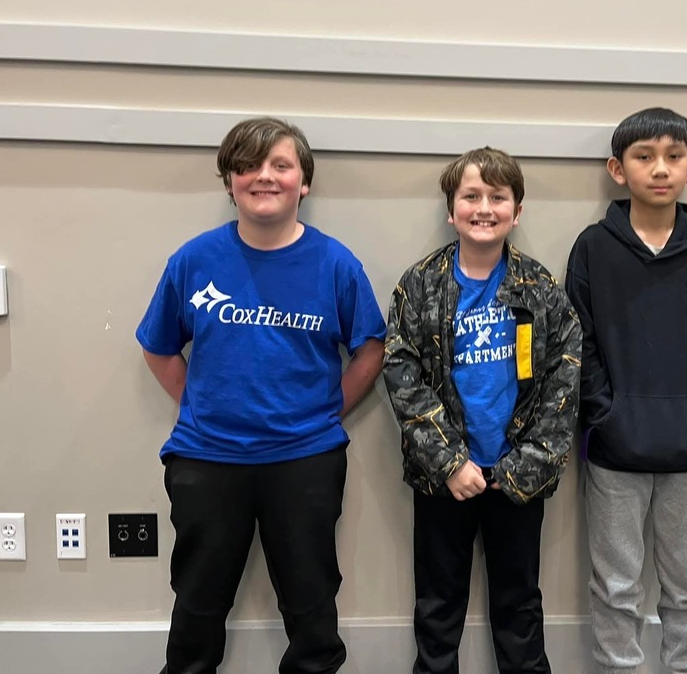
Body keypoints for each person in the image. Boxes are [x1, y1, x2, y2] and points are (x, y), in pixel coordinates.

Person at [136, 117, 386, 674]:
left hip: (305, 460)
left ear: (305, 182)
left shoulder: (336, 263)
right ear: (230, 182)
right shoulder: (194, 260)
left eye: (280, 165)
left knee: (312, 609)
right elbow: (157, 347)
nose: (264, 177)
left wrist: (324, 412)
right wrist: (201, 404)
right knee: (197, 609)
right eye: (248, 165)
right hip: (207, 459)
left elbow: (370, 349)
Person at [383, 147, 581, 674]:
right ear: (451, 210)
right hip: (443, 479)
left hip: (517, 478)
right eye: (471, 196)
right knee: (438, 605)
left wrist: (529, 464)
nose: (484, 207)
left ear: (518, 210)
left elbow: (566, 375)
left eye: (498, 196)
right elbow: (401, 374)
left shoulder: (539, 289)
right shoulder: (419, 285)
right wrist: (448, 462)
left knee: (519, 606)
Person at [565, 107, 687, 674]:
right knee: (616, 588)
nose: (659, 169)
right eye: (644, 157)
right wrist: (604, 413)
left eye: (673, 157)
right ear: (618, 169)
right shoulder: (592, 248)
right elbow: (578, 343)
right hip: (614, 454)